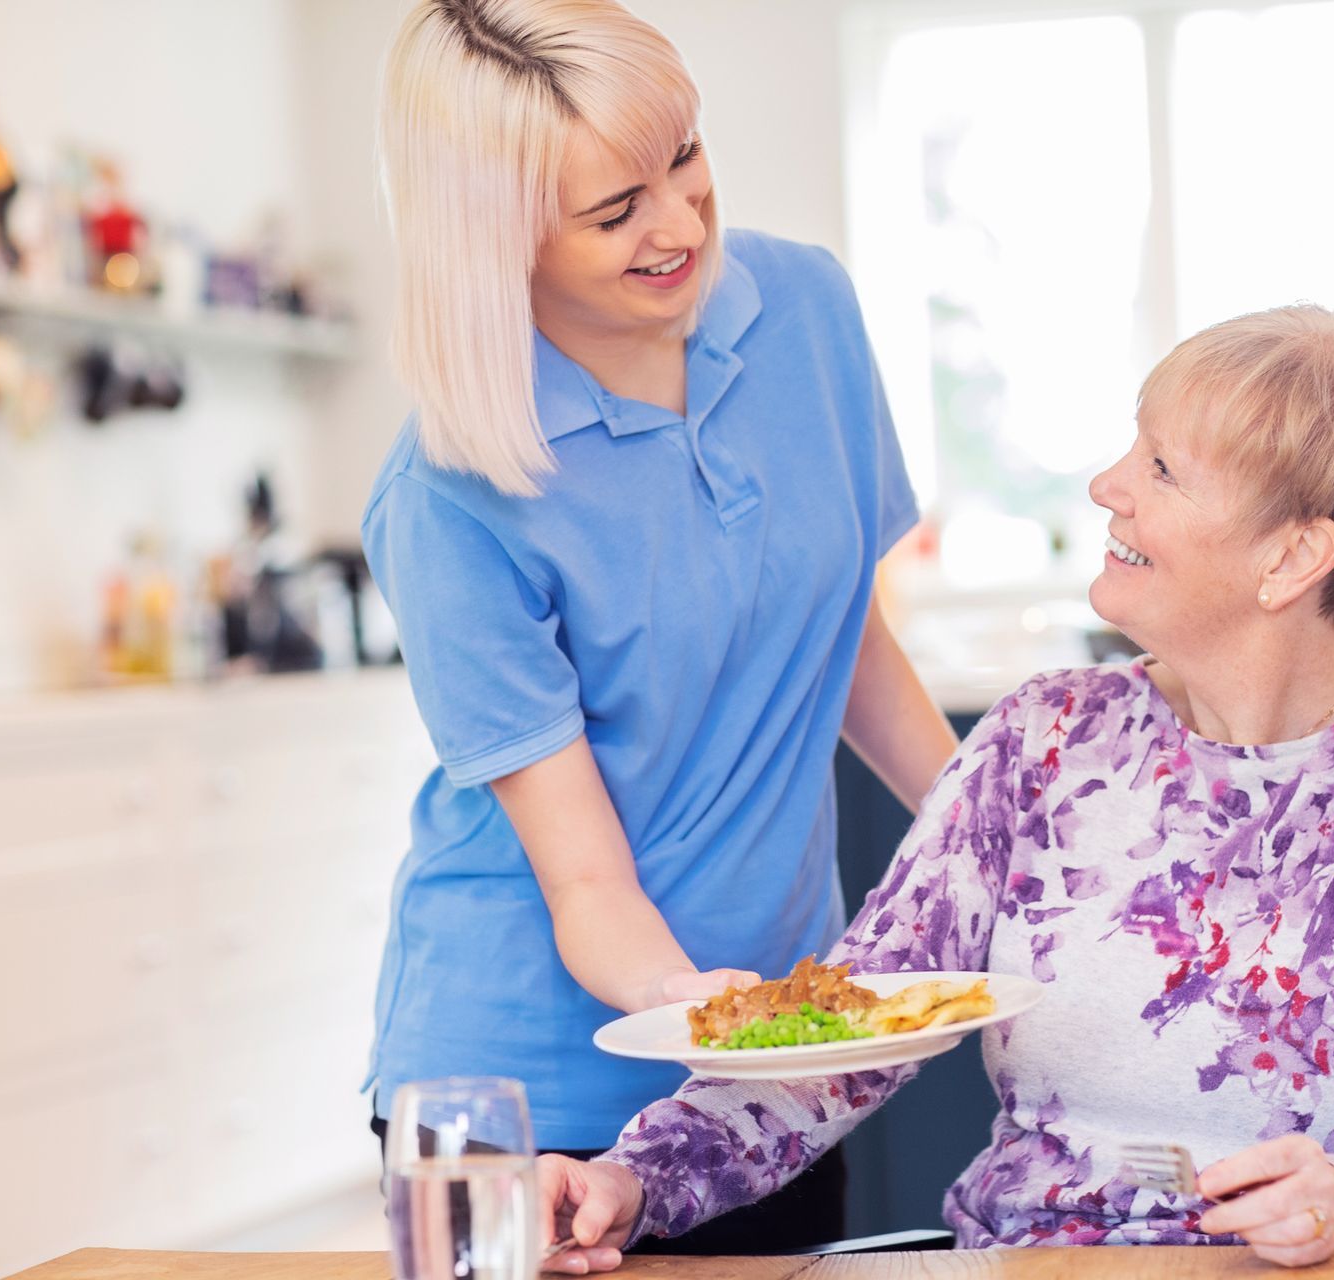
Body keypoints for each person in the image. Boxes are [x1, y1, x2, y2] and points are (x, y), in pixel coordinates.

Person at [535, 306, 1334, 1271]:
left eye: (1161, 468)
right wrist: (634, 1177)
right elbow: (853, 1034)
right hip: (1028, 1262)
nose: (1109, 485)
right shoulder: (1045, 735)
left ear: (1290, 556)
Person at [361, 0, 957, 1250]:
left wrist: (1003, 830)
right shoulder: (451, 496)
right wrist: (706, 1010)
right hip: (534, 1086)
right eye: (614, 208)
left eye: (685, 158)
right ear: (498, 236)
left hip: (769, 1073)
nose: (682, 224)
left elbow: (838, 634)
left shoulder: (805, 312)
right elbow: (584, 880)